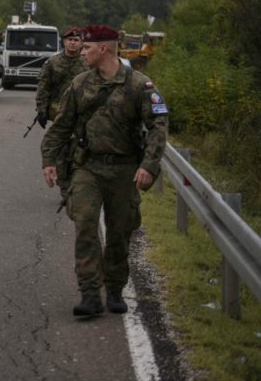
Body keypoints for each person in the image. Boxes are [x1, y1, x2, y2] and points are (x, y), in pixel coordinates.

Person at [40, 24, 168, 317]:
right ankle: (89, 294)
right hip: (88, 168)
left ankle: (113, 290)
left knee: (120, 232)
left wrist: (149, 165)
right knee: (85, 223)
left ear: (104, 49)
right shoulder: (81, 84)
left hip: (124, 171)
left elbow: (159, 126)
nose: (81, 52)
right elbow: (61, 126)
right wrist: (48, 160)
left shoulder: (139, 85)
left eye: (86, 48)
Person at [35, 26, 88, 128]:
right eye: (70, 39)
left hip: (80, 112)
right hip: (57, 110)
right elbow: (43, 87)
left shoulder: (87, 63)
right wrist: (41, 110)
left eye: (76, 40)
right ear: (64, 42)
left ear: (81, 43)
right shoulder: (52, 62)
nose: (72, 43)